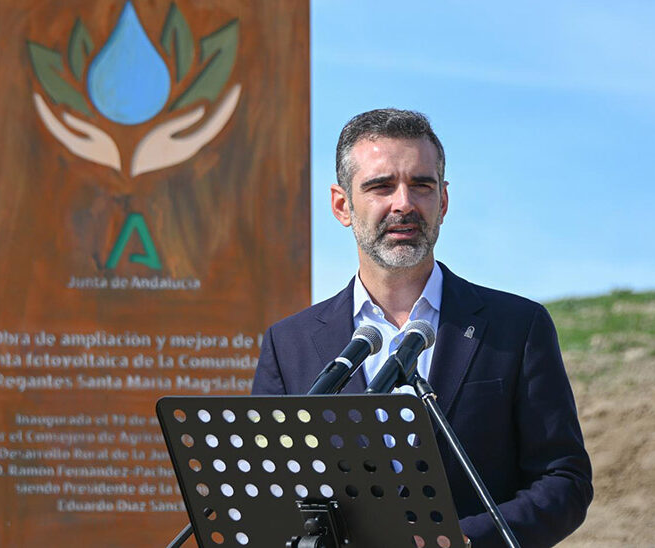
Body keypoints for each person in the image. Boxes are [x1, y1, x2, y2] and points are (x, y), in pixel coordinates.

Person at [252, 109, 592, 547]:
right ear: (342, 205)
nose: (404, 204)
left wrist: (463, 541)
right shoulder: (289, 343)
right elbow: (268, 492)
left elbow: (564, 481)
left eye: (421, 185)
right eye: (380, 186)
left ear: (443, 202)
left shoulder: (518, 327)